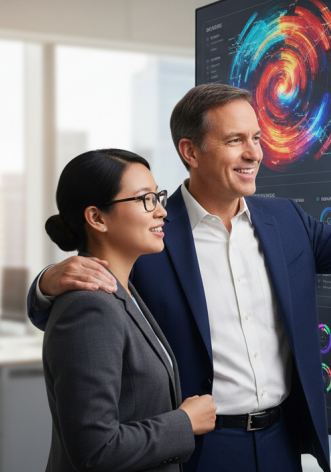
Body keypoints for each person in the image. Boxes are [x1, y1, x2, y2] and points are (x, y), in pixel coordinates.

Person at [27, 84, 331, 472]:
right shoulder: (149, 232)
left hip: (282, 441)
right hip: (195, 447)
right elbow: (94, 311)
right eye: (235, 140)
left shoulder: (285, 221)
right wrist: (46, 283)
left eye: (257, 138)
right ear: (190, 151)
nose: (254, 153)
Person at [40, 149, 217, 472]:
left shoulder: (124, 291)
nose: (161, 211)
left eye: (158, 196)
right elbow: (95, 451)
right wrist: (185, 422)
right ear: (96, 218)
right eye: (145, 199)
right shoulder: (90, 306)